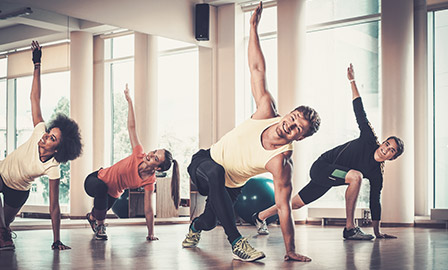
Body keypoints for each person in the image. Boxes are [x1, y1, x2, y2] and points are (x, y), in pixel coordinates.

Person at [181, 2, 320, 262]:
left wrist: (289, 250)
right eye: (293, 118)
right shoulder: (267, 110)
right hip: (204, 163)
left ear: (299, 138)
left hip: (230, 186)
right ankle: (237, 242)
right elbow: (257, 70)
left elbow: (284, 207)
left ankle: (194, 228)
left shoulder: (281, 162)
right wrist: (253, 27)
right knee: (216, 170)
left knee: (209, 221)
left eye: (297, 129)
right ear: (288, 113)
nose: (290, 125)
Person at [252, 63, 404, 240]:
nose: (386, 149)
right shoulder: (369, 138)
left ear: (392, 157)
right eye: (387, 144)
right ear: (383, 142)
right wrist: (352, 81)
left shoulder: (377, 173)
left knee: (296, 203)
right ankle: (350, 229)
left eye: (391, 150)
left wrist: (377, 232)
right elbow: (359, 111)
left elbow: (375, 202)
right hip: (323, 167)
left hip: (331, 176)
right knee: (356, 176)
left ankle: (260, 216)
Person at [0, 41, 83, 251]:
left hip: (18, 192)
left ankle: (3, 229)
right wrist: (37, 65)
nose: (46, 137)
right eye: (49, 133)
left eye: (52, 139)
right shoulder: (40, 130)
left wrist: (56, 240)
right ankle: (3, 233)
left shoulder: (52, 167)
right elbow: (34, 98)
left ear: (58, 150)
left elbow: (54, 207)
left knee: (4, 223)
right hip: (0, 174)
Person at [84, 84, 180, 241]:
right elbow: (132, 127)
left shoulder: (150, 180)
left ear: (158, 168)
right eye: (154, 152)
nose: (151, 154)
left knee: (98, 211)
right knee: (101, 189)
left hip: (111, 195)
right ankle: (101, 226)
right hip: (95, 180)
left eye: (155, 158)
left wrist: (151, 234)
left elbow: (148, 209)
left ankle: (92, 217)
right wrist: (129, 101)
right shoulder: (138, 153)